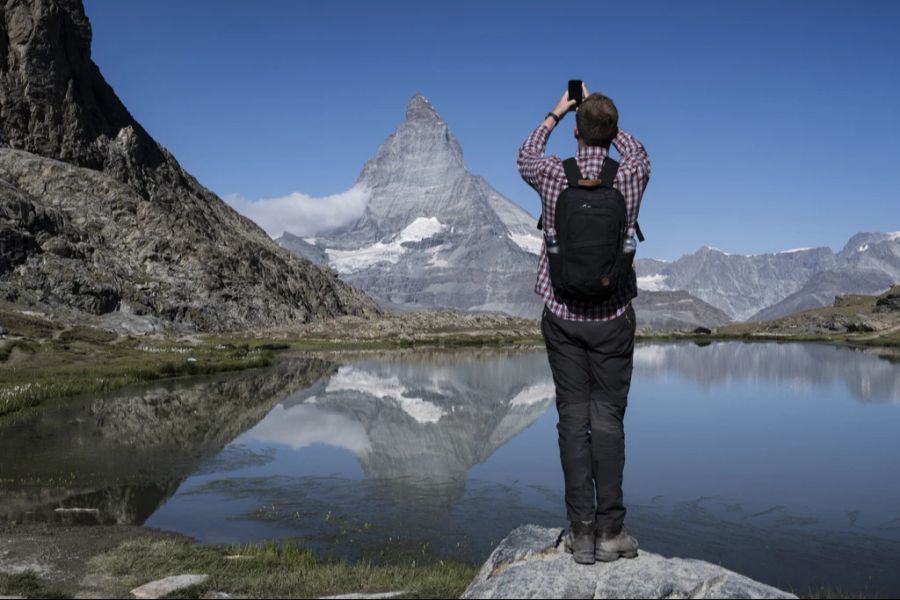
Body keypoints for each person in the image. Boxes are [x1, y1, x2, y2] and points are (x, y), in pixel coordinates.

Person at [517, 84, 651, 565]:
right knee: (608, 421)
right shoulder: (631, 173)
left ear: (575, 130)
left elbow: (525, 154)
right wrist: (606, 120)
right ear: (612, 132)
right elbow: (636, 150)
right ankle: (612, 530)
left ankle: (581, 535)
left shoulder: (553, 173)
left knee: (573, 419)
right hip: (613, 317)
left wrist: (557, 111)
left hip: (563, 317)